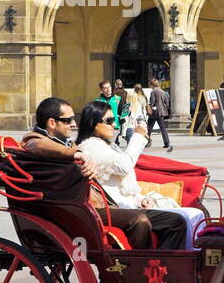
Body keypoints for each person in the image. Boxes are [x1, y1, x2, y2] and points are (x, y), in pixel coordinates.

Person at [76, 100, 188, 249]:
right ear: (94, 123)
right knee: (176, 221)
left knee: (182, 217)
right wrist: (138, 137)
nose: (114, 125)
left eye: (114, 120)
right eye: (109, 121)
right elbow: (124, 166)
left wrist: (140, 198)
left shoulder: (107, 145)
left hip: (125, 204)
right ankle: (157, 265)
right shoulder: (91, 145)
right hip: (111, 207)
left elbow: (119, 183)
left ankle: (164, 263)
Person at [146, 78, 173, 151]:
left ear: (152, 85)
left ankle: (146, 142)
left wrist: (149, 107)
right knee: (163, 128)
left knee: (149, 127)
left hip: (154, 112)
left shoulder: (153, 92)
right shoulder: (163, 92)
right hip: (162, 112)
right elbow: (167, 103)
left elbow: (152, 102)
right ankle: (167, 143)